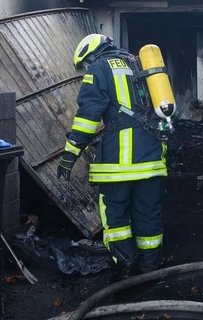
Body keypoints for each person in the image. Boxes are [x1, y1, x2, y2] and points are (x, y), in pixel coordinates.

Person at [57, 34, 168, 274]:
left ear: (92, 53)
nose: (86, 68)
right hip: (151, 158)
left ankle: (125, 266)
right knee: (148, 213)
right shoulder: (140, 63)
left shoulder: (98, 69)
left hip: (118, 163)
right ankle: (150, 267)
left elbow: (88, 119)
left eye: (86, 63)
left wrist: (70, 155)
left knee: (116, 217)